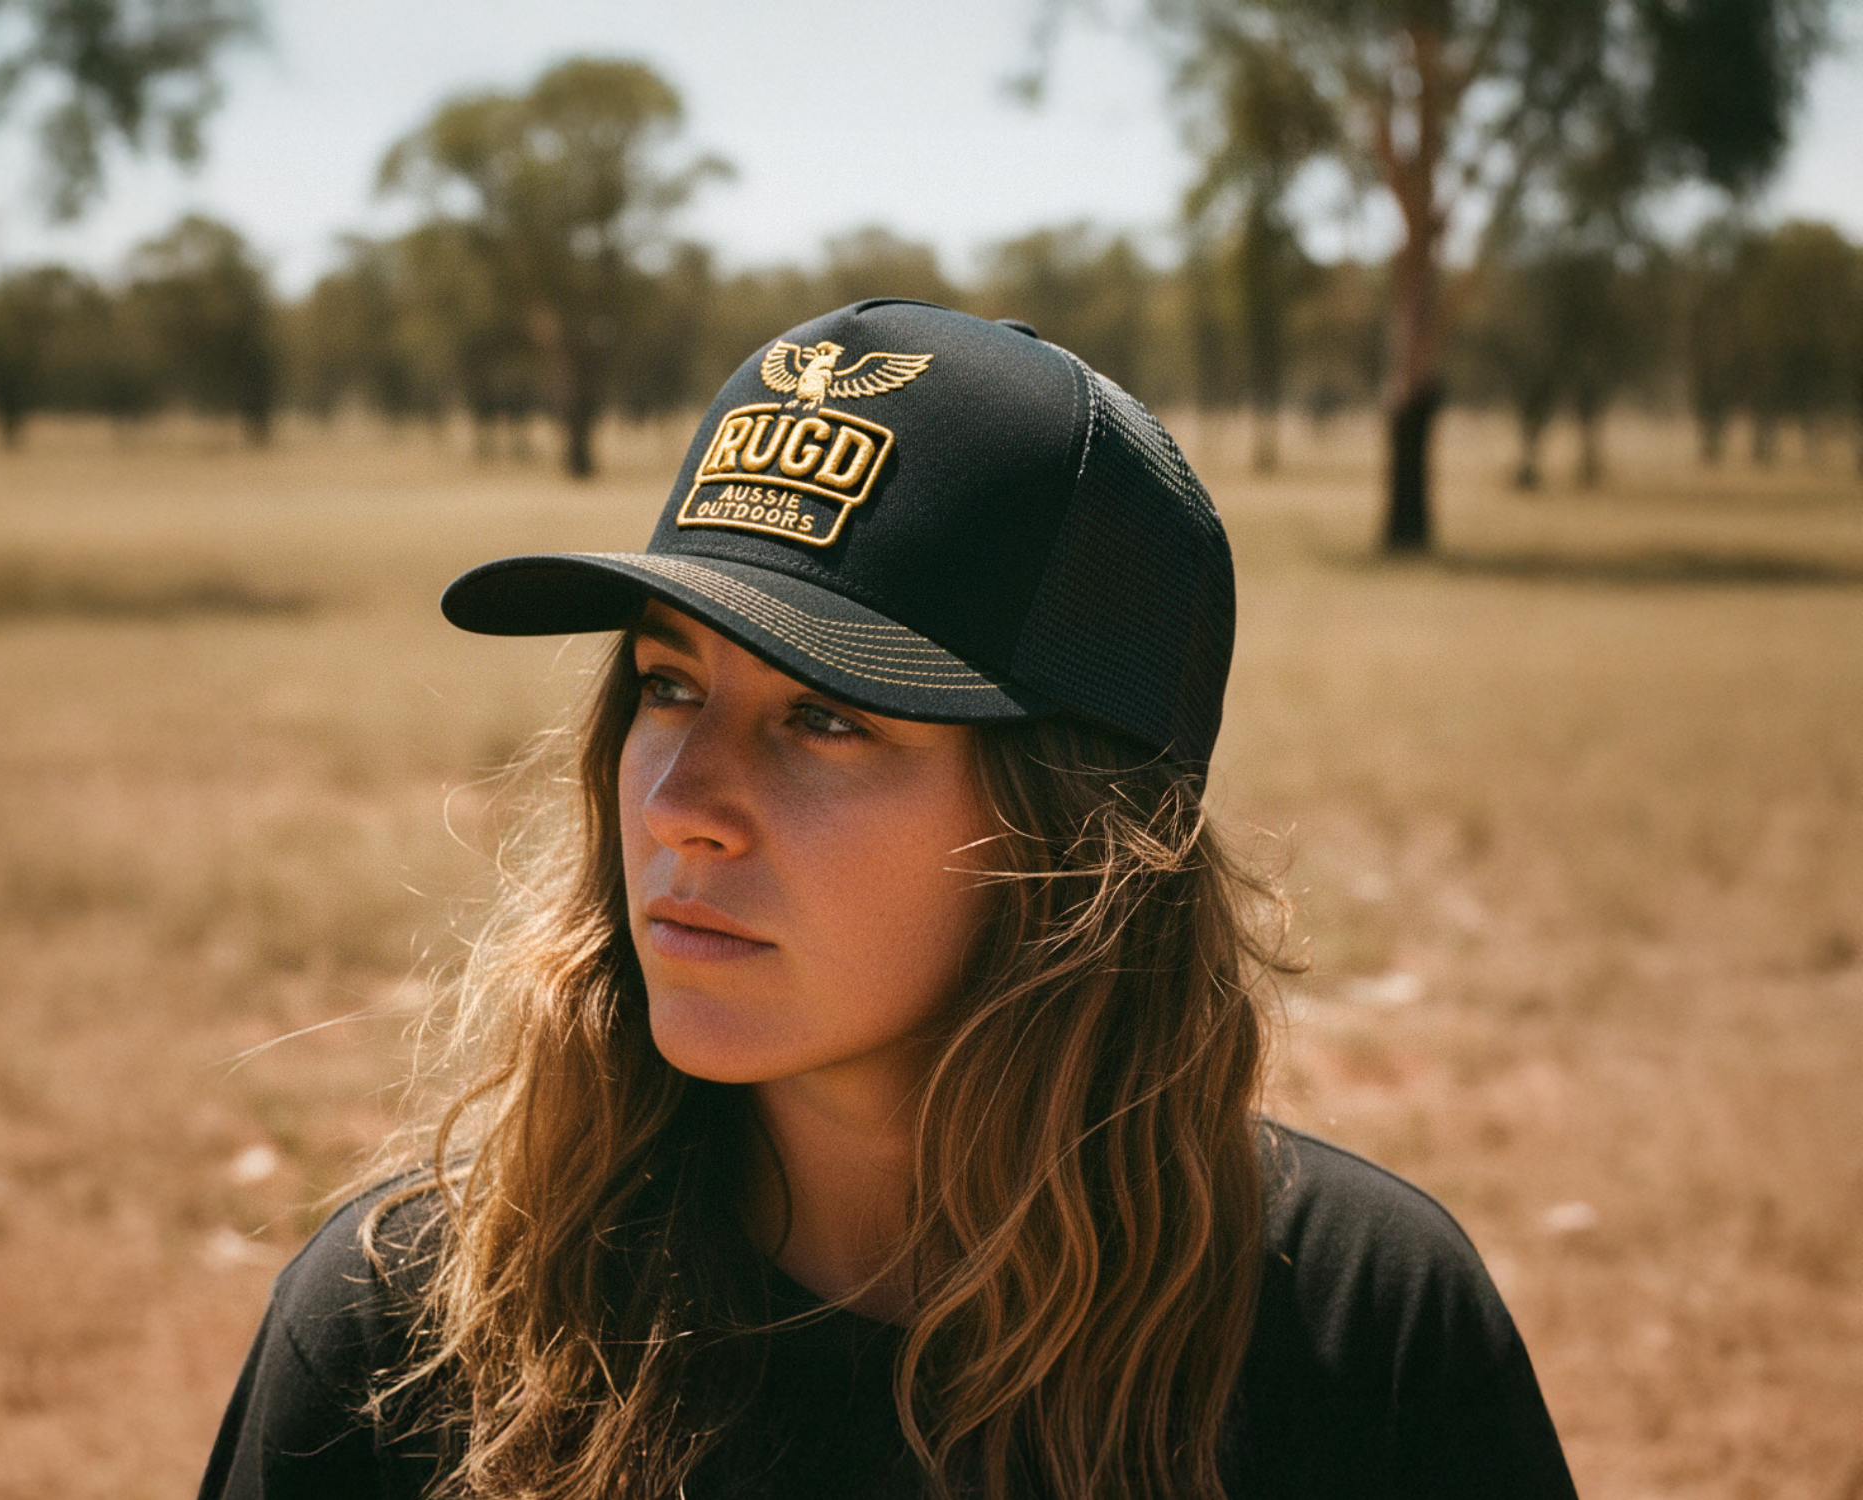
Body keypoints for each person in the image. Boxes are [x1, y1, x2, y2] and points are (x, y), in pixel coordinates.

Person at [199, 300, 1577, 1499]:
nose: (680, 800)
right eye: (669, 686)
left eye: (829, 720)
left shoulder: (1359, 1338)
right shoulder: (412, 1335)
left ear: (1078, 840)